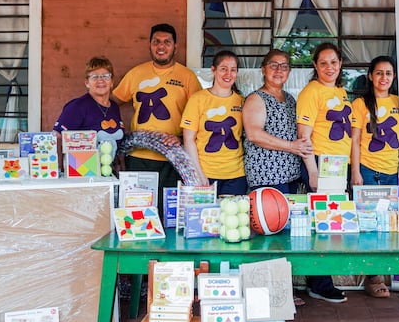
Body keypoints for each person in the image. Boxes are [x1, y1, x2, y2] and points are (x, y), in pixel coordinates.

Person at [243, 49, 314, 306]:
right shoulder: (256, 99)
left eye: (284, 66)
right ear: (263, 69)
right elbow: (254, 134)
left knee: (284, 236)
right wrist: (292, 147)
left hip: (290, 177)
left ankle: (282, 290)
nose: (278, 70)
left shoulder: (292, 99)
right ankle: (268, 293)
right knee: (267, 237)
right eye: (273, 65)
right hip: (267, 177)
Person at [112, 23, 201, 212]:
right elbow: (112, 103)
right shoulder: (136, 73)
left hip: (173, 158)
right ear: (150, 45)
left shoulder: (187, 77)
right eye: (156, 42)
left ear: (175, 46)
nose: (161, 46)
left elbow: (198, 115)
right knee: (139, 213)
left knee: (170, 214)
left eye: (167, 42)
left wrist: (180, 138)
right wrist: (116, 131)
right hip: (138, 156)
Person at [296, 42, 355, 303]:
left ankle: (320, 280)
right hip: (322, 164)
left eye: (333, 62)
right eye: (323, 63)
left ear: (340, 64)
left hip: (339, 165)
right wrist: (312, 171)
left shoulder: (341, 91)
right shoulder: (311, 92)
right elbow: (303, 137)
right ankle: (320, 283)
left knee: (332, 222)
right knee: (323, 223)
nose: (329, 67)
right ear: (315, 66)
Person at [351, 55, 399, 298]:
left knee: (390, 226)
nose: (384, 78)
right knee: (369, 226)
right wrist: (356, 171)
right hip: (369, 171)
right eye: (379, 73)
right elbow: (355, 140)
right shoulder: (360, 104)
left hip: (395, 172)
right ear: (370, 76)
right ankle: (373, 278)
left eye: (388, 73)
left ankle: (389, 272)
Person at [180, 50, 248, 196]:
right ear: (213, 70)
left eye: (233, 70)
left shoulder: (242, 101)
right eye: (223, 69)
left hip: (236, 174)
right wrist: (198, 173)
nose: (228, 74)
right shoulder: (198, 99)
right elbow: (188, 139)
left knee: (233, 217)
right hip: (206, 173)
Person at [53, 56, 125, 172]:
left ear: (111, 82)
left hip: (107, 174)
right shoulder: (77, 106)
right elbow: (57, 137)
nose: (101, 80)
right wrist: (59, 170)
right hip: (81, 174)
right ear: (87, 83)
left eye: (105, 76)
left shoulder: (114, 107)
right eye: (95, 77)